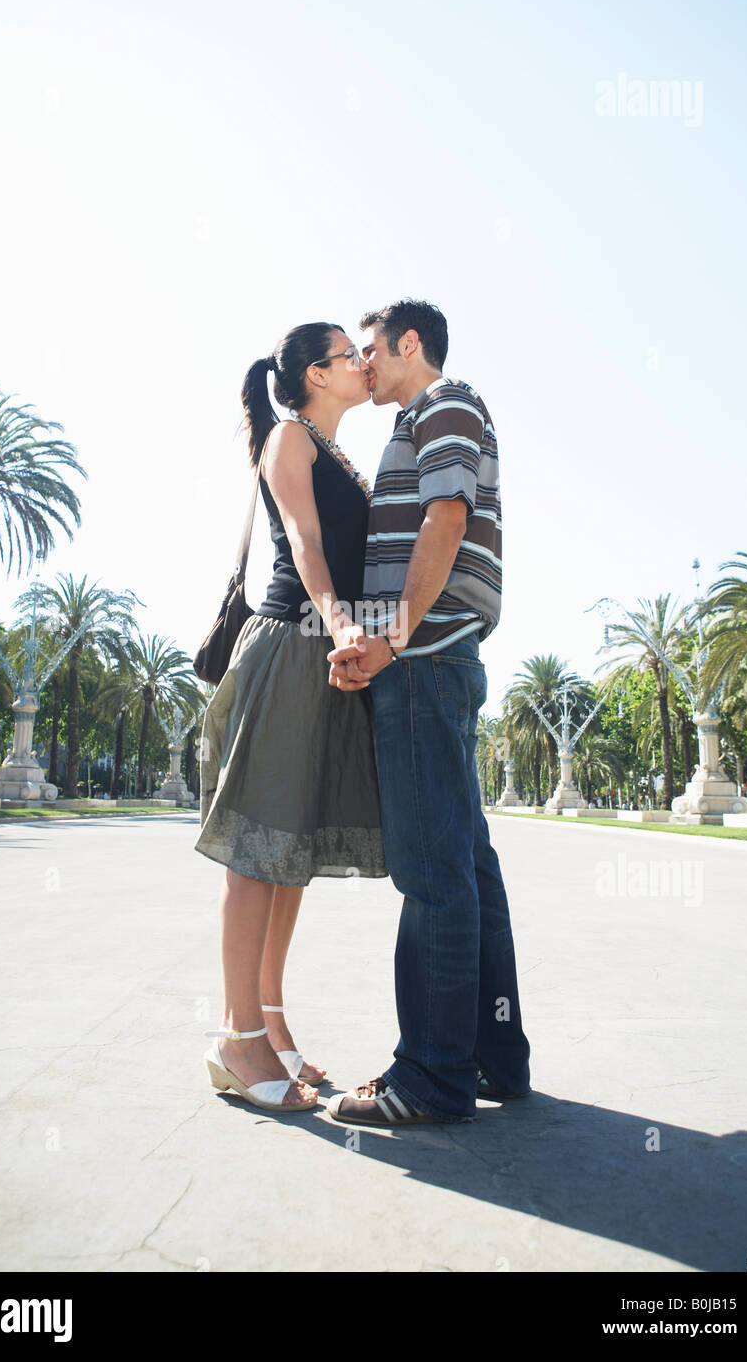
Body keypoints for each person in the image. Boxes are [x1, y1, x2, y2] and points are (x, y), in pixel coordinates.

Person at [325, 298, 531, 1127]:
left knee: (433, 869)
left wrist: (392, 637)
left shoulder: (440, 405)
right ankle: (493, 1056)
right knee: (468, 864)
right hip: (443, 658)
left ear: (411, 345)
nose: (364, 363)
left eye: (371, 348)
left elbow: (446, 519)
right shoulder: (432, 416)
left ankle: (431, 1079)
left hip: (425, 659)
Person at [196, 321, 386, 1114]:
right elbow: (305, 541)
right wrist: (342, 621)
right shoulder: (288, 439)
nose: (363, 364)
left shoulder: (340, 453)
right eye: (350, 355)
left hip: (330, 660)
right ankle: (236, 1039)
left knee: (291, 855)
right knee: (258, 845)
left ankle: (271, 1027)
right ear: (315, 372)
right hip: (291, 646)